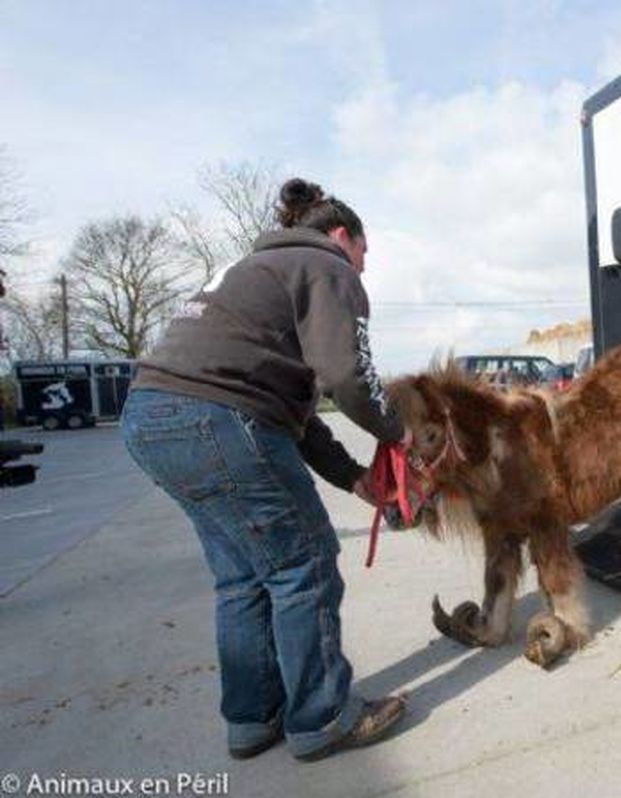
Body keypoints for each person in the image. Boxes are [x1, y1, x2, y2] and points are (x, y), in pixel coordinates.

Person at [121, 178, 407, 762]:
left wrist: (355, 476)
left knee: (243, 576)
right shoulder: (325, 267)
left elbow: (293, 415)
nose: (363, 268)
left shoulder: (257, 274)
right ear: (341, 236)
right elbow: (349, 377)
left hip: (151, 418)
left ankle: (254, 718)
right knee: (304, 565)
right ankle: (324, 717)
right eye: (364, 253)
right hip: (216, 419)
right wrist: (396, 431)